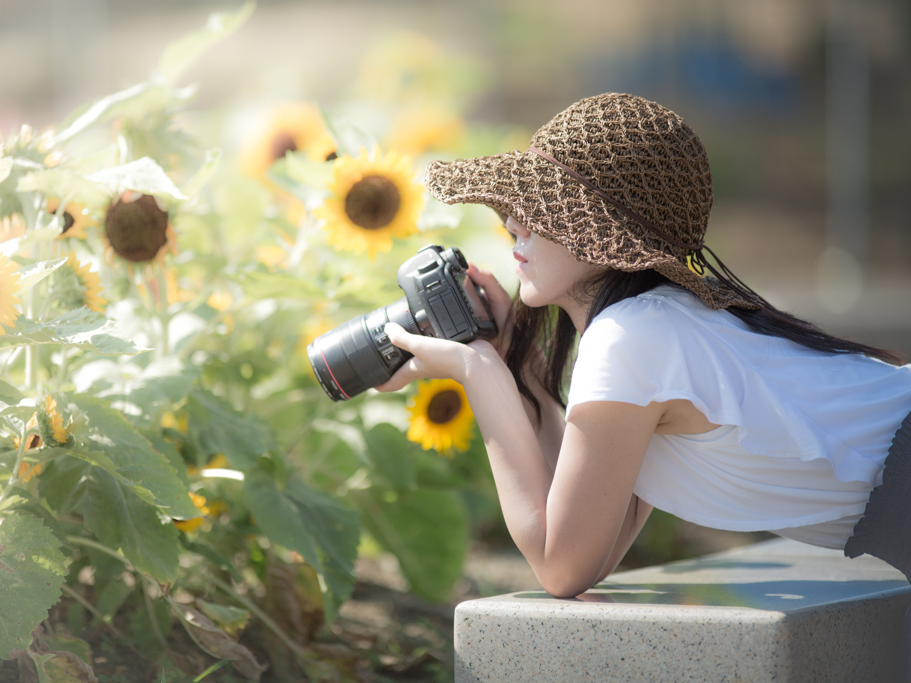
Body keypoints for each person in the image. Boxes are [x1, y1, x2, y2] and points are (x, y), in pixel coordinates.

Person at [376, 93, 911, 603]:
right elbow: (592, 546)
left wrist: (480, 371)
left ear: (601, 233)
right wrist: (518, 362)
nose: (514, 221)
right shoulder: (654, 325)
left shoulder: (630, 338)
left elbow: (560, 566)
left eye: (542, 205)